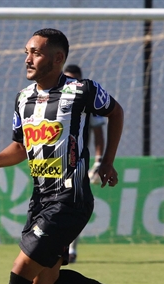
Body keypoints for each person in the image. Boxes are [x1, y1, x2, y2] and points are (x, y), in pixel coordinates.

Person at [0, 28, 137, 284]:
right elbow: (20, 146)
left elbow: (116, 112)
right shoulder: (22, 98)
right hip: (40, 200)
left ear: (58, 59)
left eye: (37, 53)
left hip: (70, 199)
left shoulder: (81, 91)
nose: (28, 58)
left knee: (21, 272)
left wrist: (107, 161)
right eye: (27, 51)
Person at [63, 64, 106, 264]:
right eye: (67, 78)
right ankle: (59, 247)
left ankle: (71, 250)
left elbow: (99, 134)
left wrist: (99, 161)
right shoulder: (54, 100)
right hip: (54, 164)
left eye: (74, 79)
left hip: (78, 163)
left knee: (74, 206)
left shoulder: (88, 104)